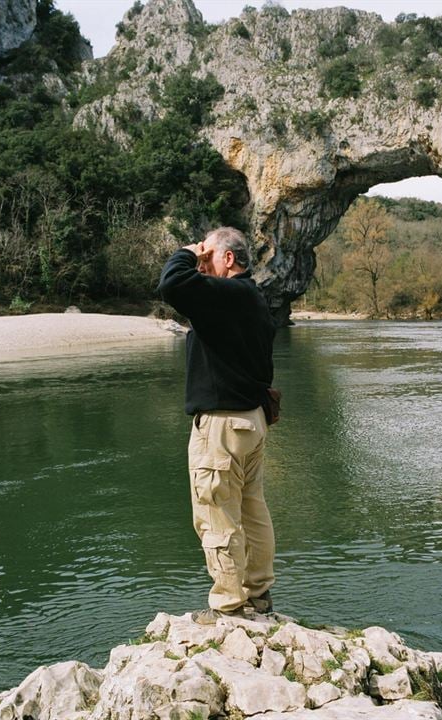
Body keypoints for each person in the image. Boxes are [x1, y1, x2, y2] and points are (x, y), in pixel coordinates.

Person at [158, 226, 276, 625]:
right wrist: (203, 260)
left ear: (228, 259)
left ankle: (228, 606)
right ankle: (258, 595)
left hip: (223, 426)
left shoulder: (228, 294)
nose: (203, 263)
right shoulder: (253, 298)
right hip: (252, 422)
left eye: (210, 255)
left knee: (216, 513)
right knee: (251, 509)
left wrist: (189, 252)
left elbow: (172, 284)